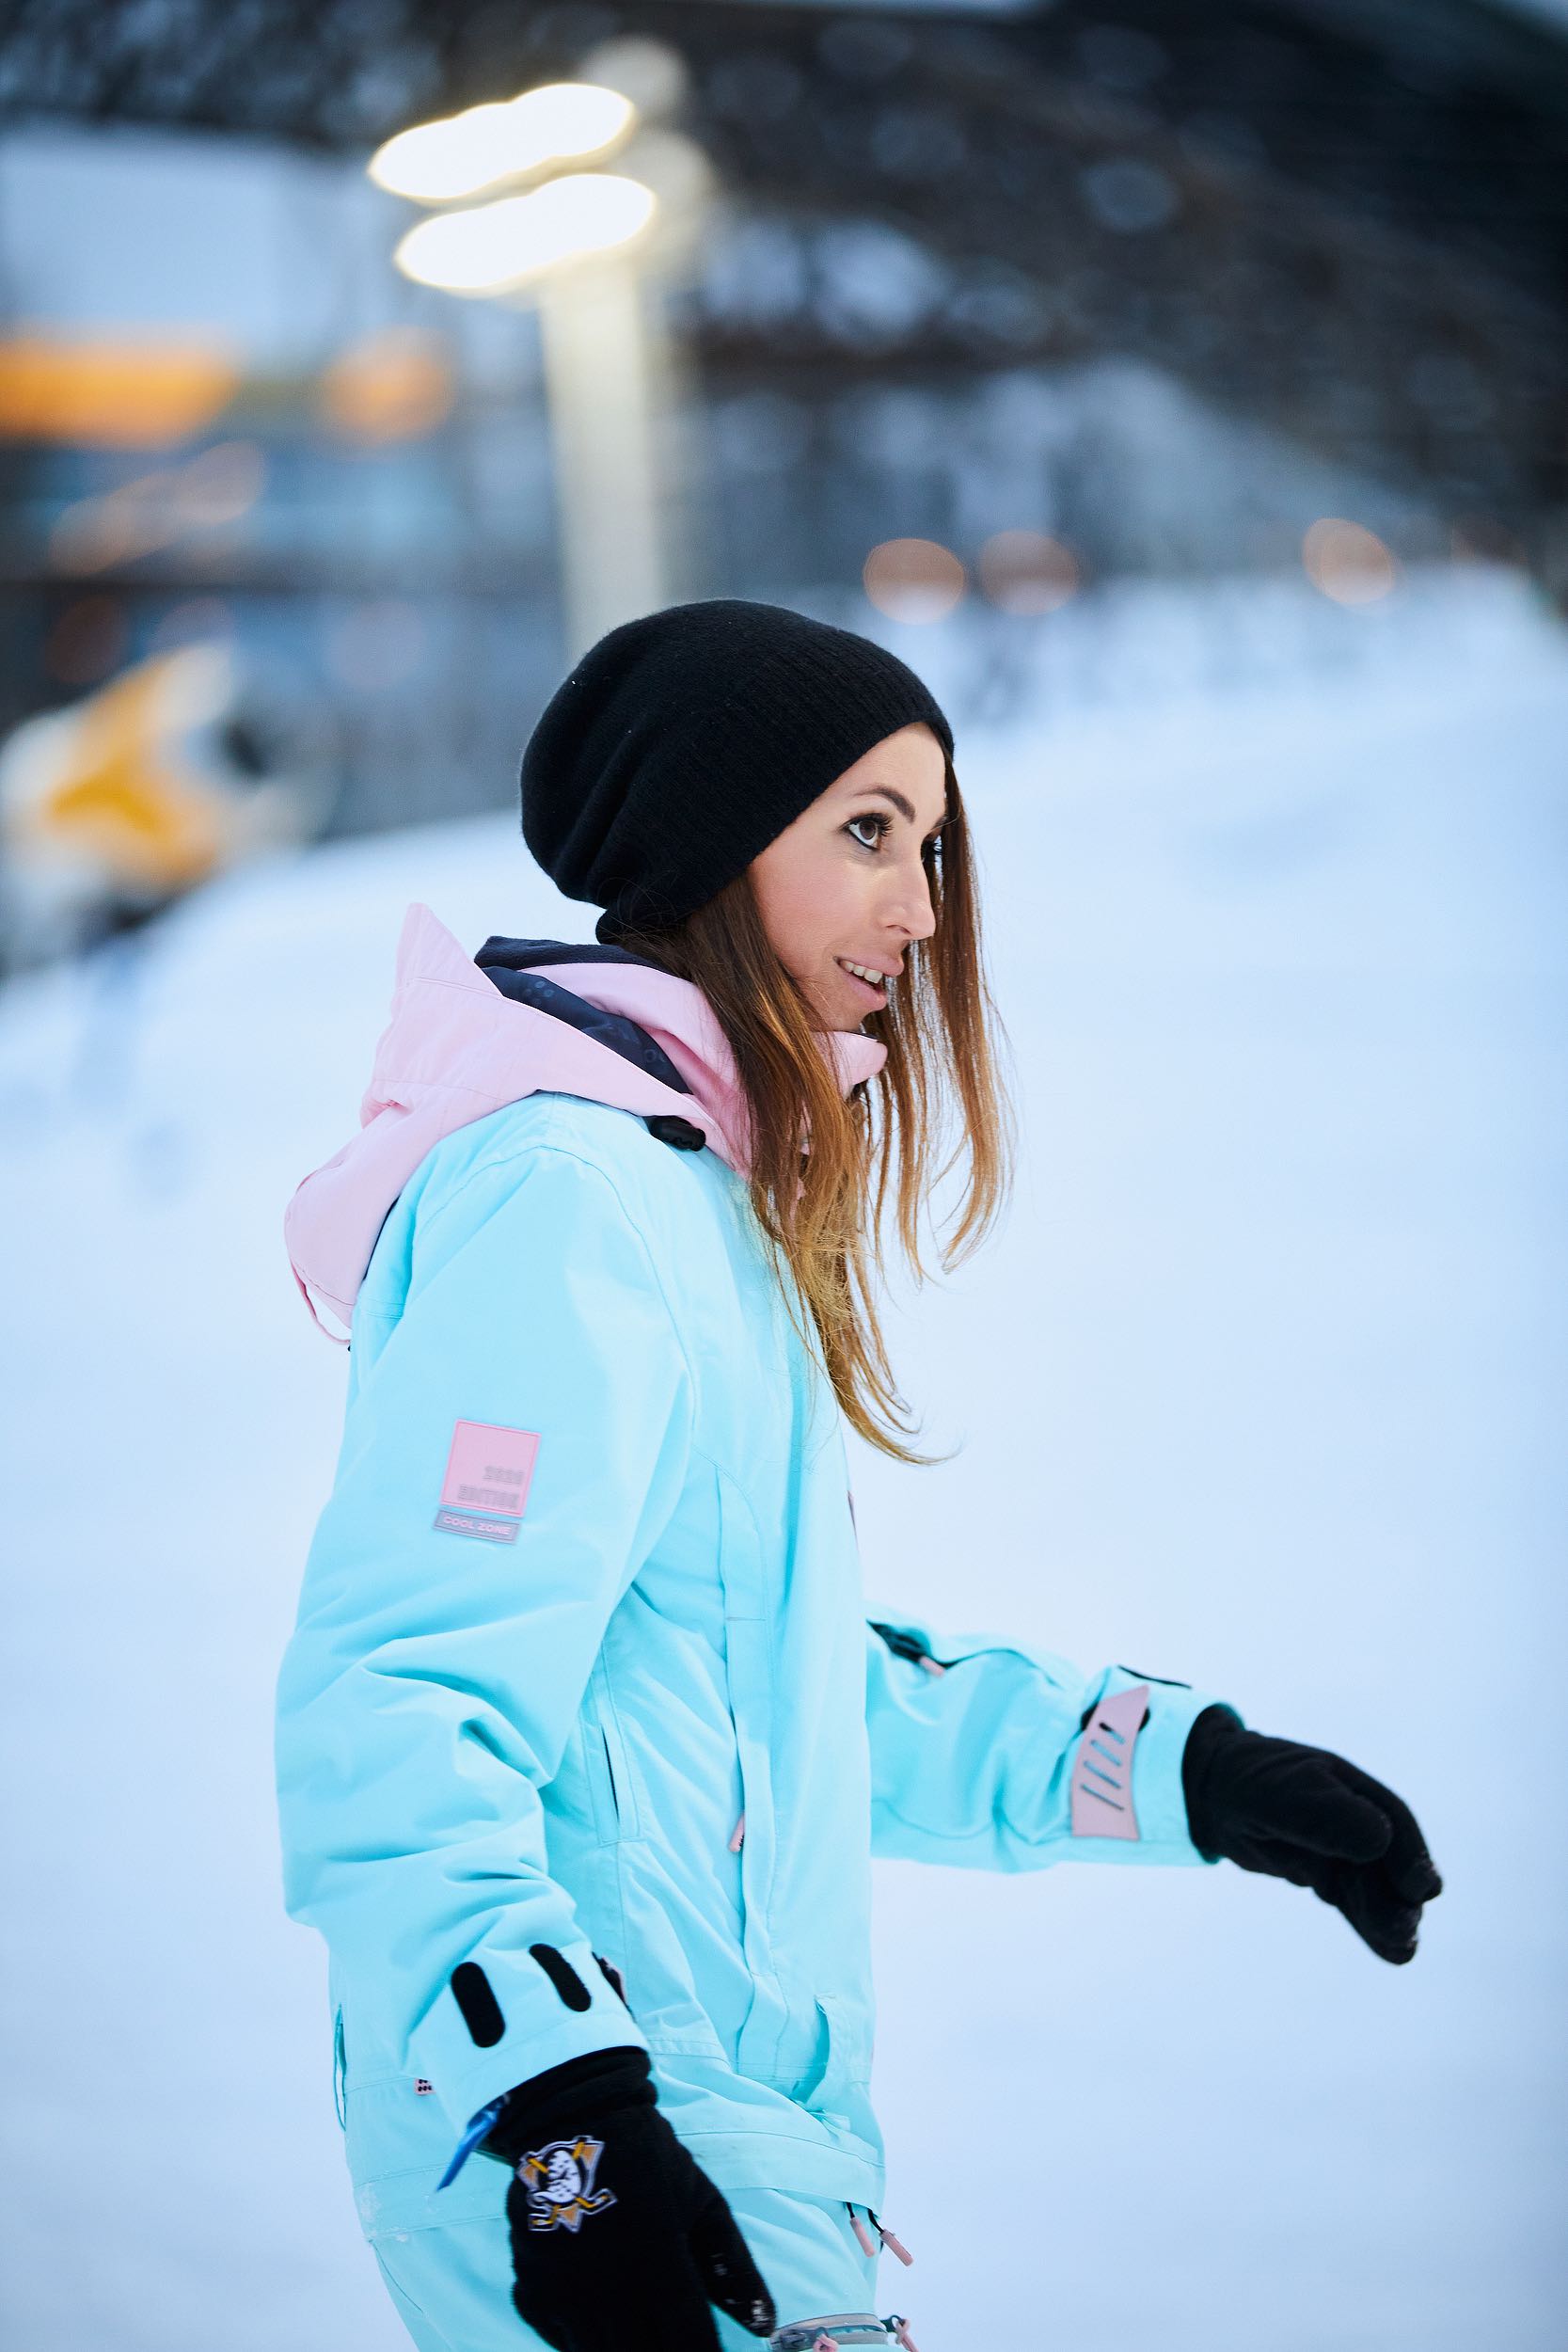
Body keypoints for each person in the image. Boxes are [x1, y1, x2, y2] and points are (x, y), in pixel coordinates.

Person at [274, 598, 1442, 2352]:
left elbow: (767, 1700)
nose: (921, 907)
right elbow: (401, 1695)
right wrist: (558, 2117)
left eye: (934, 847)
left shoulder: (684, 1199)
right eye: (870, 833)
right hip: (621, 2146)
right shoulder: (565, 1200)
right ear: (712, 839)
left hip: (725, 2139)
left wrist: (1187, 1773)